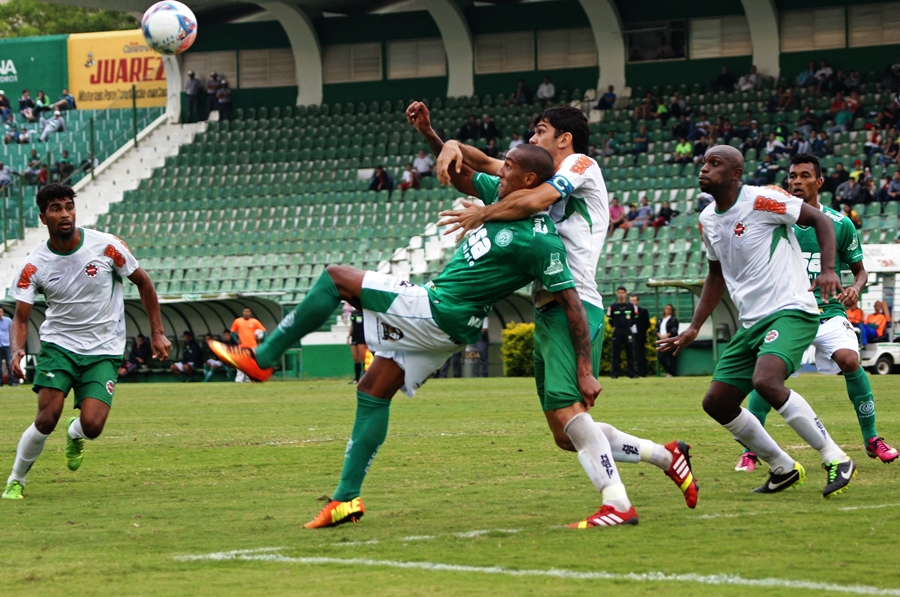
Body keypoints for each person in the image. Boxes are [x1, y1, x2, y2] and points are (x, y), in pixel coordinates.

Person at [211, 144, 628, 528]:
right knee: (374, 388)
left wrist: (586, 369)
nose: (501, 173)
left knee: (336, 278)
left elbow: (572, 303)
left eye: (510, 169)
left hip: (442, 310)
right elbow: (463, 170)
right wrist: (431, 135)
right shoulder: (500, 200)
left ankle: (262, 359)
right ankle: (346, 500)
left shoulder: (542, 241)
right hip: (448, 322)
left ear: (530, 182)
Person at [413, 102, 699, 524]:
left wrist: (482, 214)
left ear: (563, 138)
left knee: (572, 416)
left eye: (540, 130)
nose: (532, 138)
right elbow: (487, 166)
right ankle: (665, 454)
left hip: (576, 303)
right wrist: (441, 139)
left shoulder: (582, 164)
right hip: (547, 310)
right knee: (565, 434)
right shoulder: (537, 170)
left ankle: (617, 503)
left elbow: (534, 199)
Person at [658, 145, 858, 499]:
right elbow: (715, 275)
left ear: (735, 174)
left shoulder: (763, 200)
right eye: (704, 162)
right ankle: (781, 466)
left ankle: (836, 457)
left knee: (766, 380)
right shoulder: (707, 219)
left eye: (714, 163)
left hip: (792, 309)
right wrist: (692, 326)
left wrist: (828, 270)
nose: (704, 169)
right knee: (717, 402)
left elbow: (821, 220)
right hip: (752, 323)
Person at [1, 184, 169, 500]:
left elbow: (144, 283)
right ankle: (16, 480)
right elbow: (21, 318)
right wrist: (18, 350)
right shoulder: (34, 264)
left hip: (103, 349)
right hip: (58, 347)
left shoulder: (107, 247)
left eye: (68, 206)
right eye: (55, 208)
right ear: (43, 217)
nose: (64, 214)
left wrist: (157, 331)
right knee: (47, 416)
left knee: (93, 426)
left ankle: (75, 433)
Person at [734, 153, 897, 473]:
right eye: (792, 176)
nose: (796, 181)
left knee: (850, 360)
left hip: (828, 310)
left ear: (819, 182)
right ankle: (751, 450)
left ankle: (871, 438)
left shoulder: (840, 224)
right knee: (768, 376)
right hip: (786, 313)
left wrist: (855, 288)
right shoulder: (776, 221)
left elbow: (859, 271)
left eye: (804, 175)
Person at [230, 307, 265, 383]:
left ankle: (248, 380)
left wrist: (262, 341)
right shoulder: (238, 321)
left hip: (253, 347)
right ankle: (239, 380)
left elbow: (264, 332)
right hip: (242, 347)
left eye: (247, 311)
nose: (246, 313)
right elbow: (232, 332)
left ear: (250, 313)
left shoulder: (255, 322)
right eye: (245, 311)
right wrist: (236, 339)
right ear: (243, 312)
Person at [608, 287, 637, 379]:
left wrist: (628, 325)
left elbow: (635, 318)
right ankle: (615, 373)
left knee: (630, 353)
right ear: (617, 294)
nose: (621, 294)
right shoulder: (613, 306)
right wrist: (616, 326)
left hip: (627, 330)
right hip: (617, 331)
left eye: (622, 293)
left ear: (626, 294)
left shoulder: (630, 306)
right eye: (619, 293)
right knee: (616, 353)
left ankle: (632, 373)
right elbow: (610, 319)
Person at [629, 294, 650, 377]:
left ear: (638, 301)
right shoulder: (627, 311)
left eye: (634, 300)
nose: (633, 302)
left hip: (639, 337)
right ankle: (632, 372)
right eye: (631, 300)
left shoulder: (643, 311)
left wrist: (640, 330)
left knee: (640, 355)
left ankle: (642, 372)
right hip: (630, 336)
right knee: (631, 354)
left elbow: (647, 324)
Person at [656, 304, 678, 377]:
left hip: (671, 342)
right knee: (660, 357)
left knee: (672, 358)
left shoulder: (673, 320)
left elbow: (674, 330)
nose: (668, 310)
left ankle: (672, 373)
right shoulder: (660, 319)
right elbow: (656, 329)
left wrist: (667, 336)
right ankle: (669, 371)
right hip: (662, 342)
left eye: (670, 309)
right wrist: (659, 335)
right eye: (666, 308)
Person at [347, 308, 366, 384]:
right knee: (356, 358)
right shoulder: (353, 313)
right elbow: (352, 325)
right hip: (355, 337)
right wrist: (348, 336)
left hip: (362, 338)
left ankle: (365, 378)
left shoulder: (364, 312)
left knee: (363, 358)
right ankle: (356, 379)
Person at [0, 306, 15, 387]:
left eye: (1, 311)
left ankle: (12, 381)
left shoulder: (8, 321)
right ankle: (0, 382)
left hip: (6, 345)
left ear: (3, 312)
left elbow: (13, 332)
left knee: (10, 364)